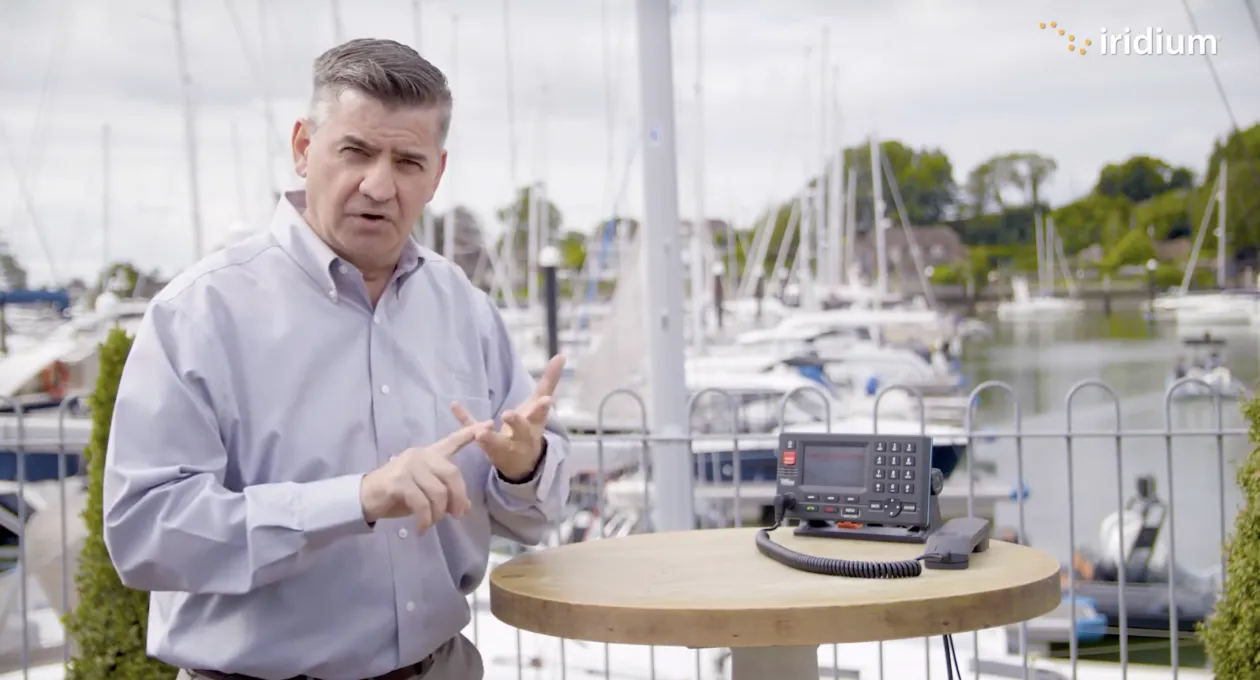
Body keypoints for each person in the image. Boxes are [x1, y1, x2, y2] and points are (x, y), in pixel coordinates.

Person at [102, 38, 570, 680]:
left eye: (408, 161)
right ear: (302, 148)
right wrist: (358, 498)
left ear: (436, 174)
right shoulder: (198, 314)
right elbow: (144, 535)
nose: (379, 185)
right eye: (356, 151)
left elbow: (534, 515)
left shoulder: (466, 309)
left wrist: (525, 469)